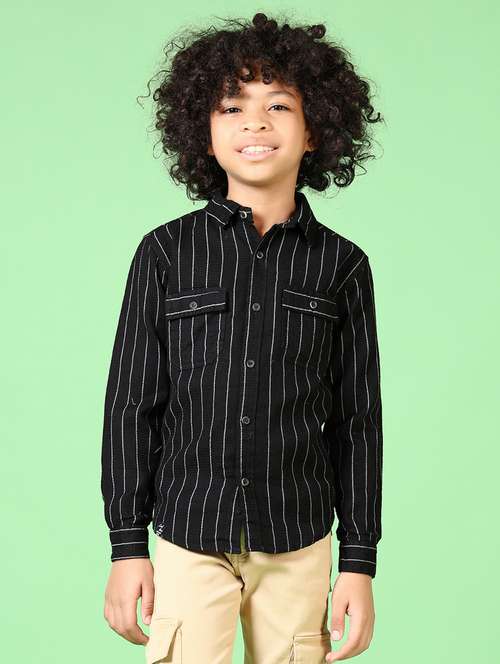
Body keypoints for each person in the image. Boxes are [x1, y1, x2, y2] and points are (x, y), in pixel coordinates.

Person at [100, 12, 384, 663]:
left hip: (299, 540)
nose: (255, 123)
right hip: (188, 534)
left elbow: (358, 421)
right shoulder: (165, 254)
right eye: (232, 107)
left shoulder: (343, 266)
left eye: (278, 105)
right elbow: (131, 406)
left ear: (316, 131)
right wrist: (127, 547)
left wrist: (358, 561)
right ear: (202, 132)